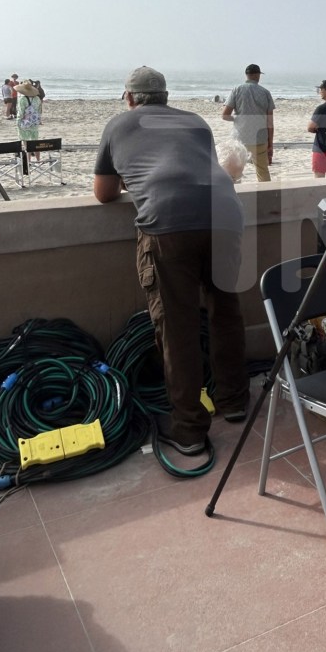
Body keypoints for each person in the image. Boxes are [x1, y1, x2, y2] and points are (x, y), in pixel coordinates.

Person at [93, 66, 248, 456]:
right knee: (224, 310)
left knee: (176, 326)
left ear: (129, 97)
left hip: (169, 225)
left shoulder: (118, 125)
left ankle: (190, 430)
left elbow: (103, 194)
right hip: (226, 215)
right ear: (164, 96)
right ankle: (234, 402)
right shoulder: (196, 122)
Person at [221, 63, 275, 183]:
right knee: (262, 171)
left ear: (247, 75)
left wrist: (236, 118)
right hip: (259, 139)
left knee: (235, 171)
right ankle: (266, 195)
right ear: (257, 75)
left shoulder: (236, 90)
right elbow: (270, 122)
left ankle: (235, 196)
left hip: (239, 138)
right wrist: (270, 143)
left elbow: (224, 115)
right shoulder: (265, 92)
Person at [16, 80, 42, 155]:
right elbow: (39, 111)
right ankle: (38, 159)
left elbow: (21, 112)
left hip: (25, 122)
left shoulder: (22, 99)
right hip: (35, 122)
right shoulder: (37, 99)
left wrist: (18, 121)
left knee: (26, 143)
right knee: (35, 143)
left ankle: (29, 161)